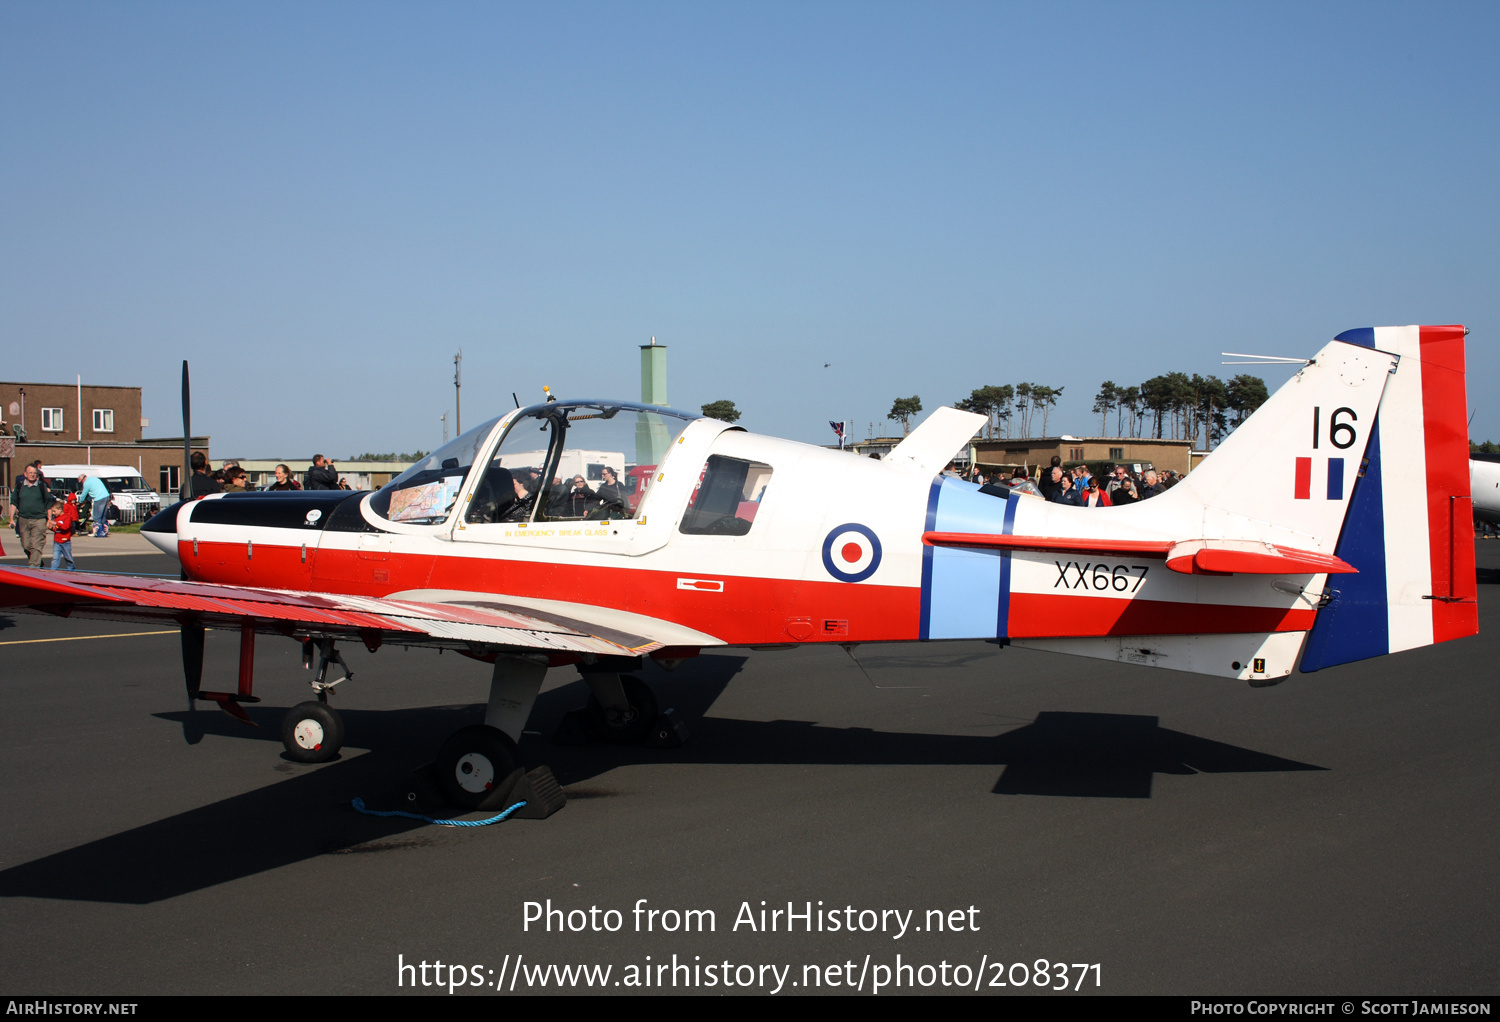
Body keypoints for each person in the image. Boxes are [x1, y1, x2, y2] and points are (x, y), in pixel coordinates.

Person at [9, 463, 52, 568]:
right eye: (30, 473)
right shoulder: (19, 486)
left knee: (37, 545)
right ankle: (37, 561)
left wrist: (49, 519)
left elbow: (48, 504)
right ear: (25, 474)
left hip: (39, 520)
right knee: (26, 545)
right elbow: (14, 503)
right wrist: (11, 519)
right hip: (23, 519)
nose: (32, 475)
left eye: (34, 473)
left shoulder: (42, 486)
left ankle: (33, 567)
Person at [48, 493, 79, 570]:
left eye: (54, 511)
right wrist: (51, 527)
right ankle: (53, 570)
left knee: (68, 558)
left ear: (60, 509)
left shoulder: (66, 517)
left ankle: (71, 570)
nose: (53, 513)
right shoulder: (56, 518)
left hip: (65, 541)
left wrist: (56, 523)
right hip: (57, 541)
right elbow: (56, 529)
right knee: (55, 558)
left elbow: (66, 527)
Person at [77, 472, 113, 538]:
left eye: (81, 482)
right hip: (106, 496)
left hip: (99, 498)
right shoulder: (95, 479)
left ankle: (97, 532)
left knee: (97, 516)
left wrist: (80, 502)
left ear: (82, 479)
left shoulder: (86, 483)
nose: (82, 483)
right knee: (103, 516)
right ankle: (104, 531)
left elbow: (84, 494)